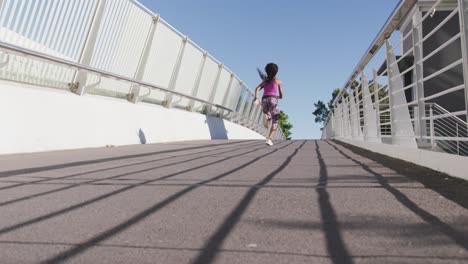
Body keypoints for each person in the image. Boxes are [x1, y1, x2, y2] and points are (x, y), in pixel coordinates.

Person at [254, 63, 283, 146]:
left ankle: (267, 116)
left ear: (266, 70)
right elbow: (281, 96)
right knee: (275, 121)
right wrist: (278, 97)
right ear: (276, 72)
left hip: (264, 99)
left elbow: (257, 88)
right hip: (273, 99)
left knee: (268, 113)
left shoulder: (265, 81)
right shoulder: (278, 81)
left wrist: (256, 98)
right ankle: (269, 139)